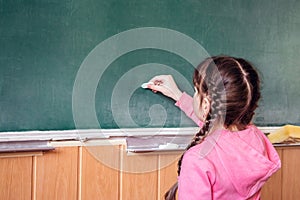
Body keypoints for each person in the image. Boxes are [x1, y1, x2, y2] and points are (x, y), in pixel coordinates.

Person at [146, 56, 281, 200]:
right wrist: (177, 95)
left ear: (206, 104)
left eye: (196, 91)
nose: (195, 95)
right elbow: (214, 123)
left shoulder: (197, 159)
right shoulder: (255, 138)